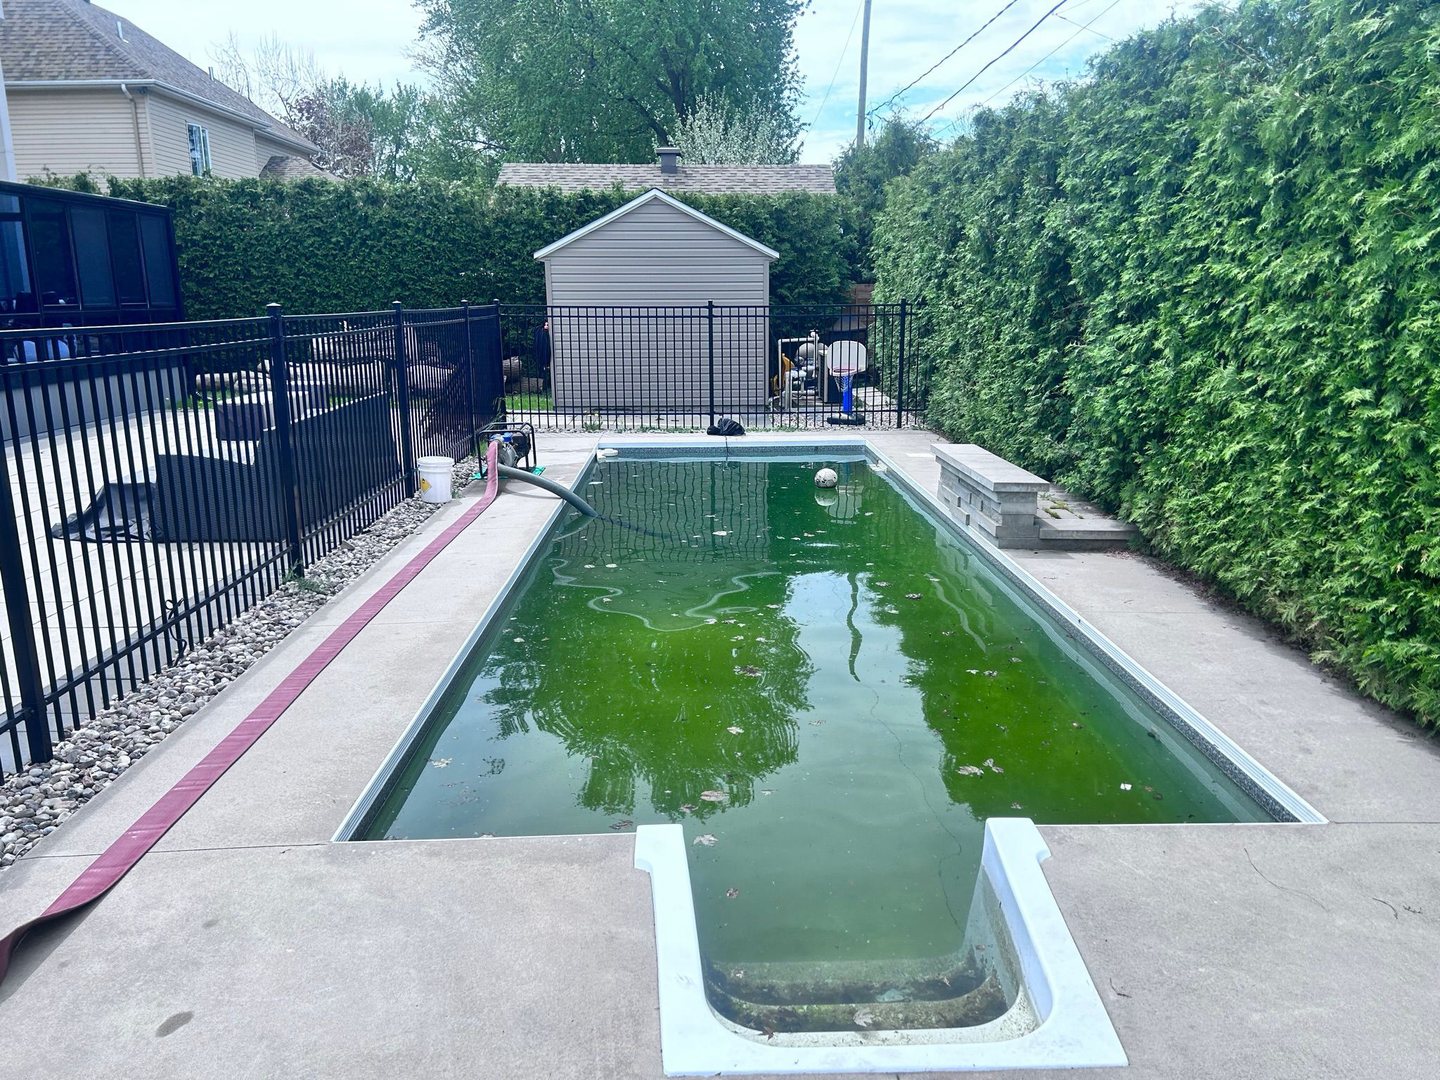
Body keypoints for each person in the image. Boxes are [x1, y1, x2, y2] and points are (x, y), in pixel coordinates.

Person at [532, 317, 552, 390]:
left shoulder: (542, 332)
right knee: (542, 370)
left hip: (546, 353)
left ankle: (545, 385)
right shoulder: (540, 331)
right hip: (542, 354)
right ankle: (542, 386)